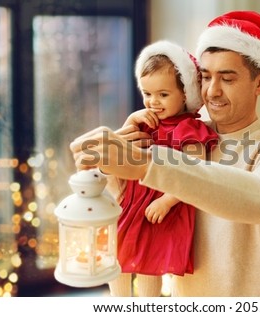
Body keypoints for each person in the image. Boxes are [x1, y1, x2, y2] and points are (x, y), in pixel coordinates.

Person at [70, 11, 260, 296]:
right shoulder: (177, 137)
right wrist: (110, 161)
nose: (212, 91)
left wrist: (148, 165)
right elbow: (124, 201)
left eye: (227, 79)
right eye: (206, 77)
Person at [105, 40, 218, 297]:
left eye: (163, 94)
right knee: (116, 257)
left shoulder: (189, 130)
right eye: (147, 94)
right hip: (132, 202)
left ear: (185, 94)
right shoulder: (146, 121)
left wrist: (167, 201)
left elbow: (195, 173)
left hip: (160, 207)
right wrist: (130, 121)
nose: (153, 102)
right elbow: (119, 150)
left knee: (149, 263)